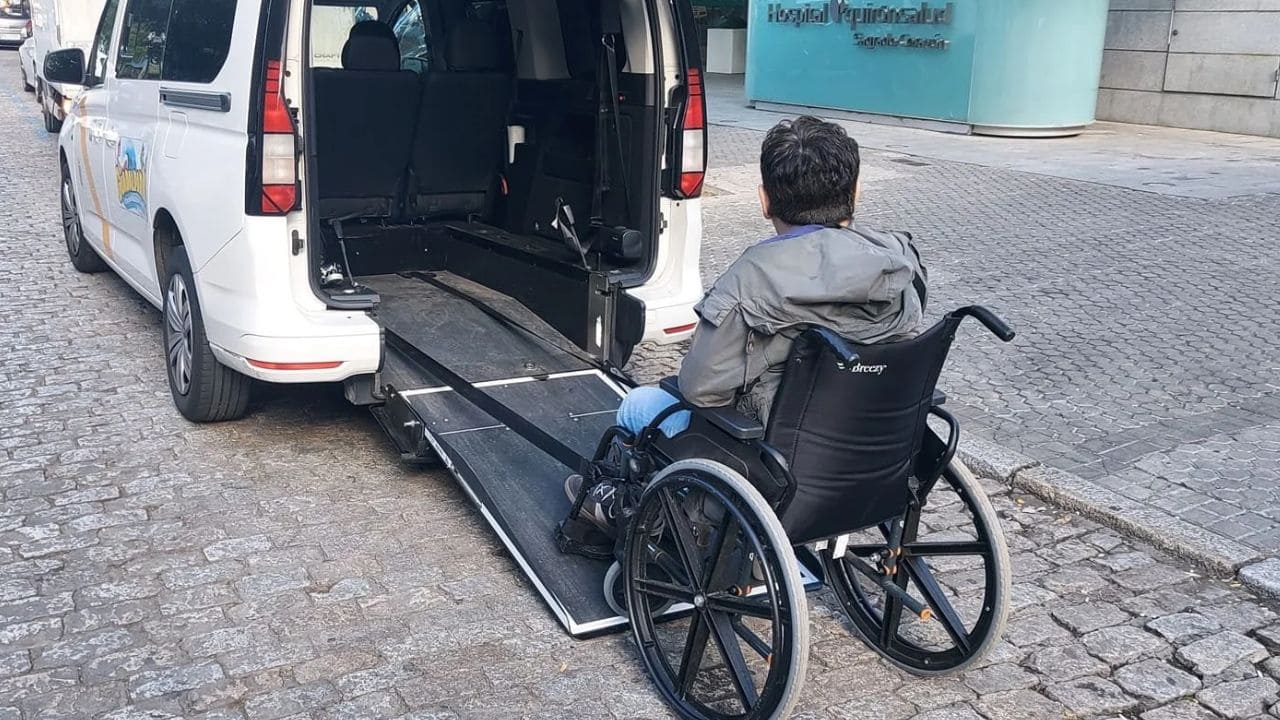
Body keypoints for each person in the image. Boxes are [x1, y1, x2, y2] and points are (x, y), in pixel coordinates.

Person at [566, 116, 928, 529]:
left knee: (640, 404)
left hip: (775, 457)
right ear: (856, 193)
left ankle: (638, 512)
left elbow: (701, 389)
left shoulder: (754, 277)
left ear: (765, 200)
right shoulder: (898, 262)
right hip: (874, 447)